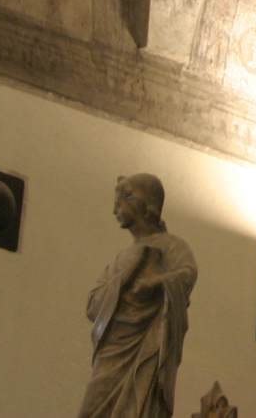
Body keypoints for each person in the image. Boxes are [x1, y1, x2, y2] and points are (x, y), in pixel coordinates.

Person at [78, 173, 198, 418]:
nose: (114, 210)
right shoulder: (124, 258)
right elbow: (92, 306)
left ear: (141, 203)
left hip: (148, 347)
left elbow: (187, 274)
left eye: (120, 201)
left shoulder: (172, 246)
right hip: (113, 352)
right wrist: (126, 276)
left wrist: (158, 283)